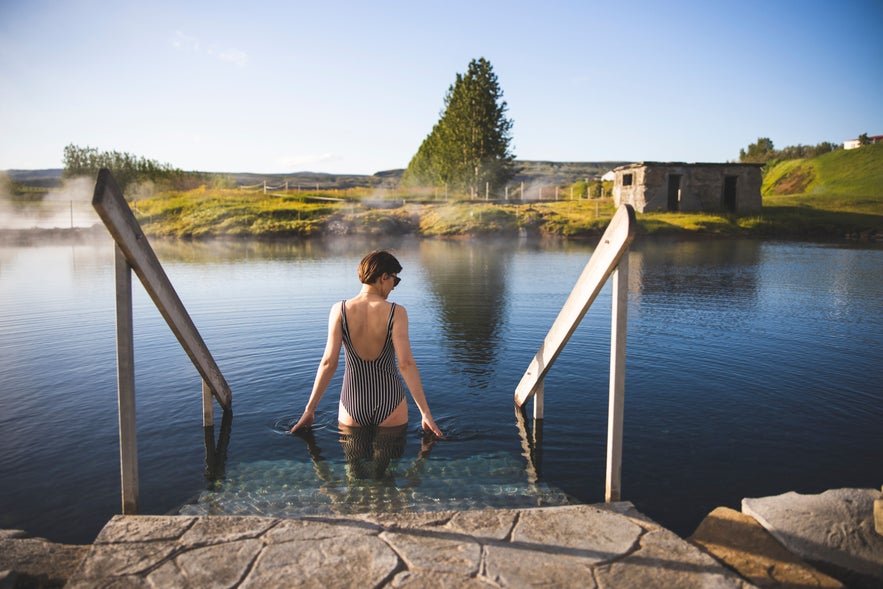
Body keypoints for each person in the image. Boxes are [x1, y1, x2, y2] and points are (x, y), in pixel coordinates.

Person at [290, 250, 443, 438]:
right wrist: (426, 413)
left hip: (352, 404)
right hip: (391, 402)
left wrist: (309, 410)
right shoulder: (396, 312)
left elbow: (328, 363)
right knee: (388, 466)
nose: (394, 287)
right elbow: (406, 364)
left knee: (353, 467)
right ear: (383, 276)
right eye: (395, 280)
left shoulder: (339, 310)